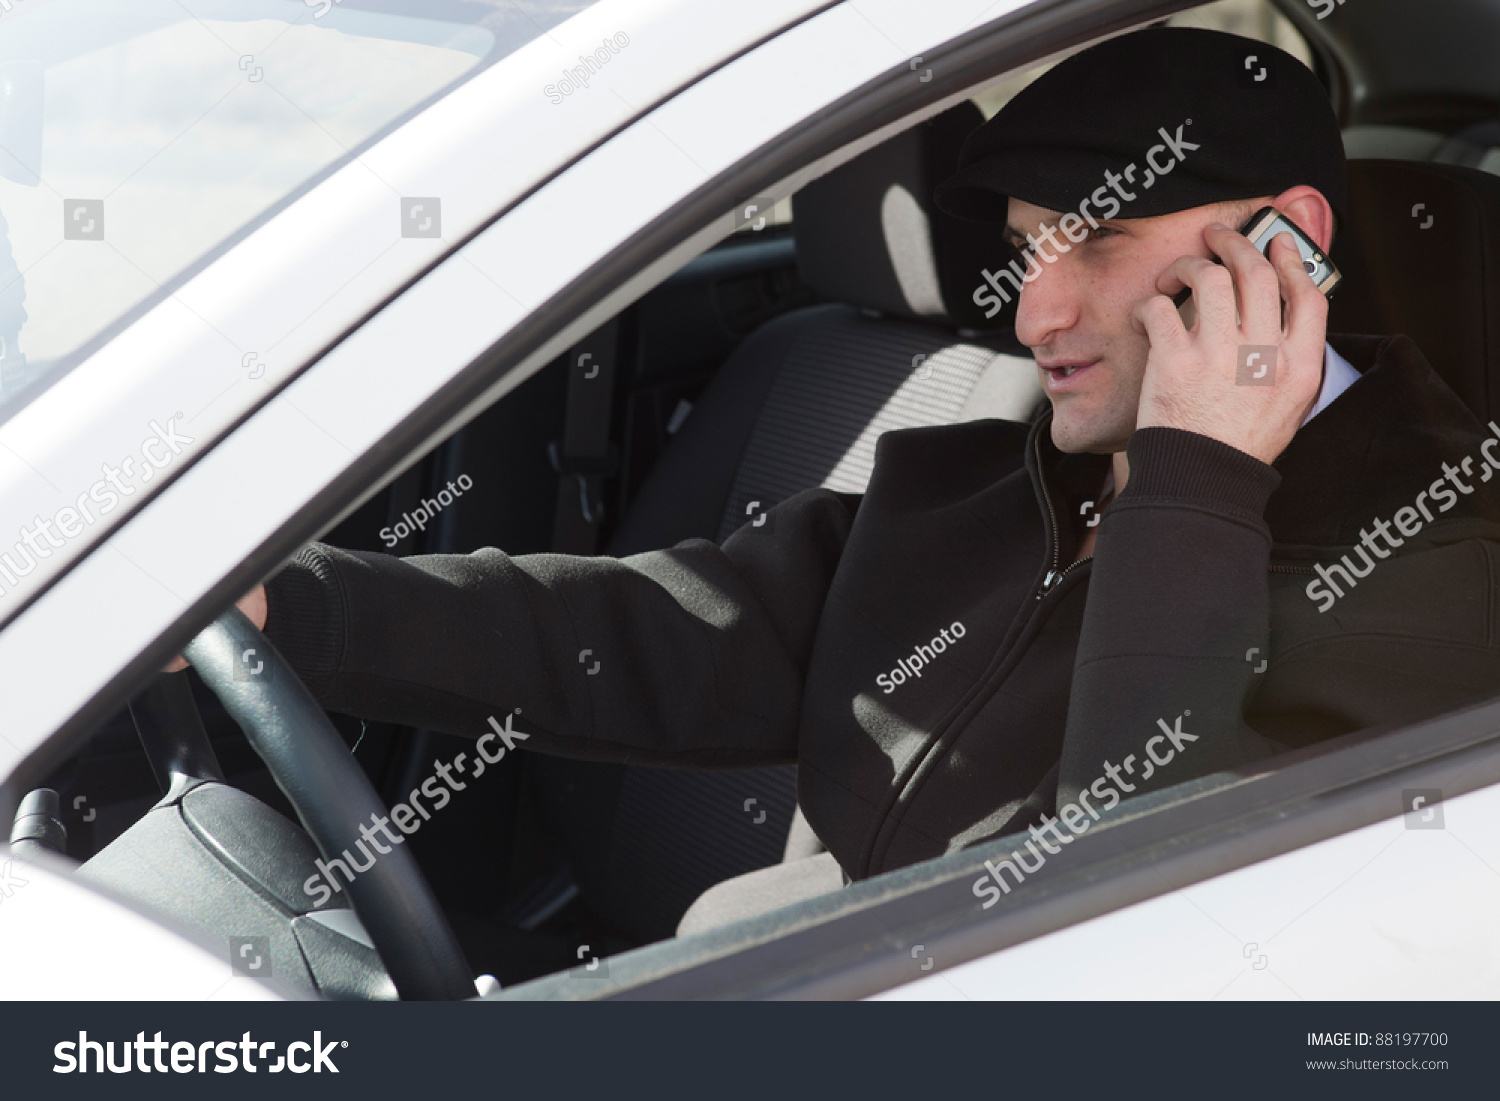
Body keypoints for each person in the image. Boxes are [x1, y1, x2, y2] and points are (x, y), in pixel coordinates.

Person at [202, 27, 1500, 901]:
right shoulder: (983, 477)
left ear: (1289, 243)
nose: (1034, 314)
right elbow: (650, 630)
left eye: (1093, 240)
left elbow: (1138, 918)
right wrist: (290, 606)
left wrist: (1197, 483)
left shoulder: (1445, 578)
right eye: (1025, 247)